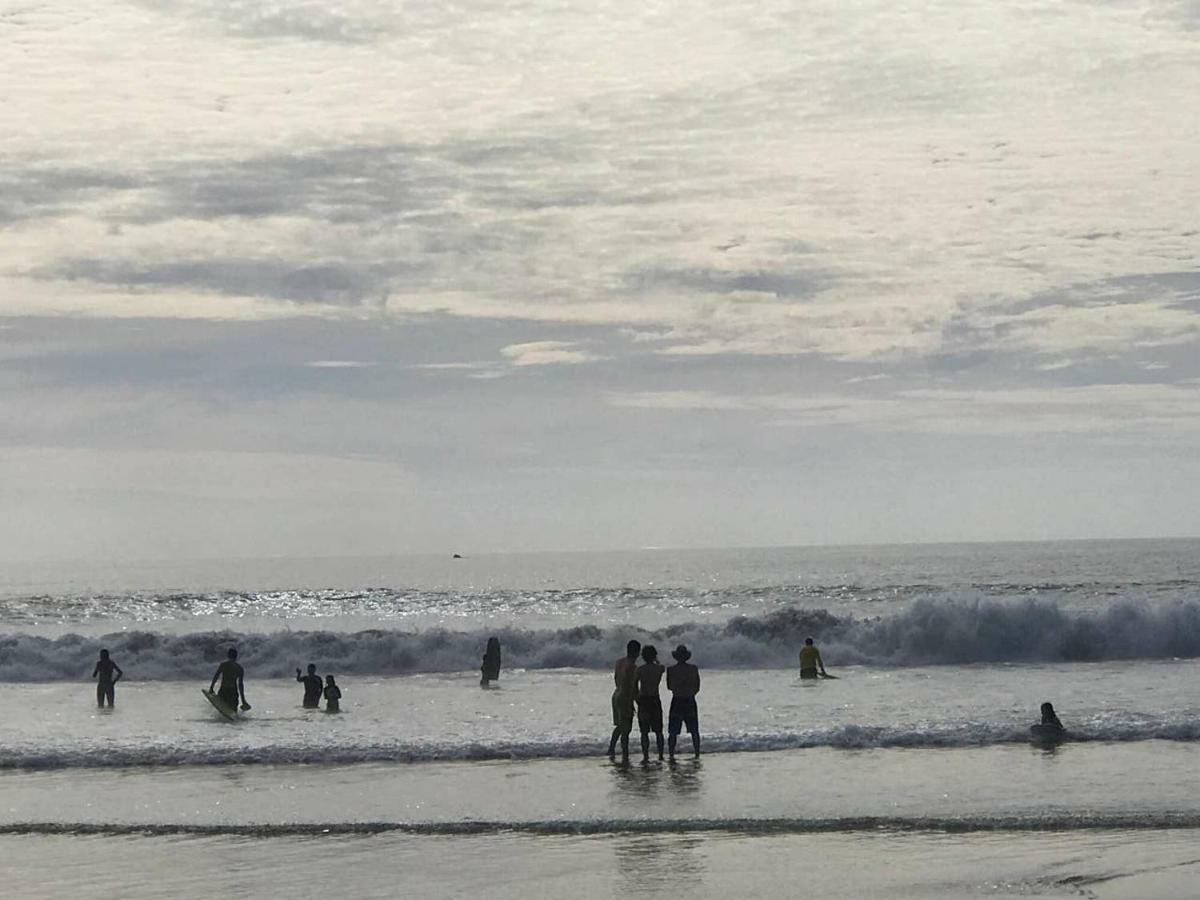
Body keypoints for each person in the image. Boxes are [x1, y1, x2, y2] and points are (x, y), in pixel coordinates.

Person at [607, 639, 642, 761]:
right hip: (625, 697)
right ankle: (624, 752)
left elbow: (617, 679)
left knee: (620, 725)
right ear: (637, 652)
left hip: (616, 694)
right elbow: (633, 686)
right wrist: (636, 702)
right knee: (626, 728)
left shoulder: (619, 662)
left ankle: (611, 748)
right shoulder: (633, 667)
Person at [666, 644, 701, 760]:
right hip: (689, 699)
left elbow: (669, 686)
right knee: (694, 730)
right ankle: (697, 753)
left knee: (673, 731)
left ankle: (671, 754)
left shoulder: (671, 670)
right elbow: (697, 686)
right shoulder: (693, 669)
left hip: (677, 700)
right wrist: (690, 692)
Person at [636, 644, 666, 762]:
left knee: (644, 731)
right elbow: (660, 665)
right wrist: (656, 660)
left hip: (643, 699)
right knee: (658, 731)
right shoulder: (659, 669)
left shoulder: (640, 670)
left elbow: (634, 685)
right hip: (654, 698)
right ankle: (660, 754)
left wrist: (636, 698)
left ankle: (646, 755)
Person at [208, 648, 250, 712]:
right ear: (236, 656)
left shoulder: (223, 665)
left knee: (221, 710)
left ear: (228, 655)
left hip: (223, 691)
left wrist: (211, 687)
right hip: (233, 692)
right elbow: (240, 685)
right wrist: (243, 700)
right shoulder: (239, 668)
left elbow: (216, 676)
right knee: (233, 712)